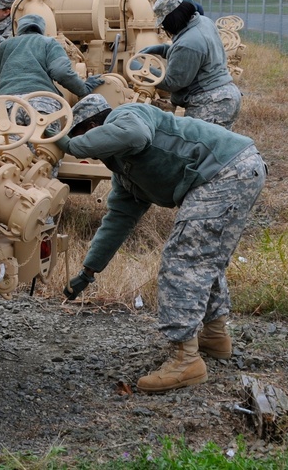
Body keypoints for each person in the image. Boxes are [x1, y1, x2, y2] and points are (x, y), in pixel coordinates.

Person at [60, 94, 266, 393]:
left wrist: (65, 144)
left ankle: (186, 361)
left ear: (94, 125)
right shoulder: (125, 171)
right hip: (236, 169)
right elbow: (118, 220)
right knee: (205, 258)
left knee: (183, 261)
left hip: (226, 171)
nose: (87, 154)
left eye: (84, 140)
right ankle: (215, 336)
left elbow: (134, 133)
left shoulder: (128, 115)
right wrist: (88, 272)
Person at [0, 13, 104, 123]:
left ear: (19, 28)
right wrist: (83, 88)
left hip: (8, 105)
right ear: (42, 29)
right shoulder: (49, 43)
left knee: (11, 151)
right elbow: (61, 72)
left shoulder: (2, 48)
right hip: (42, 105)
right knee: (45, 151)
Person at [142, 0, 241, 129]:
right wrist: (163, 49)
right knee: (219, 147)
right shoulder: (204, 22)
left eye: (164, 24)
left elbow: (172, 83)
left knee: (201, 147)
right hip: (226, 96)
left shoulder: (188, 43)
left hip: (210, 103)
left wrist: (144, 71)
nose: (165, 28)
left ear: (172, 20)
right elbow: (200, 55)